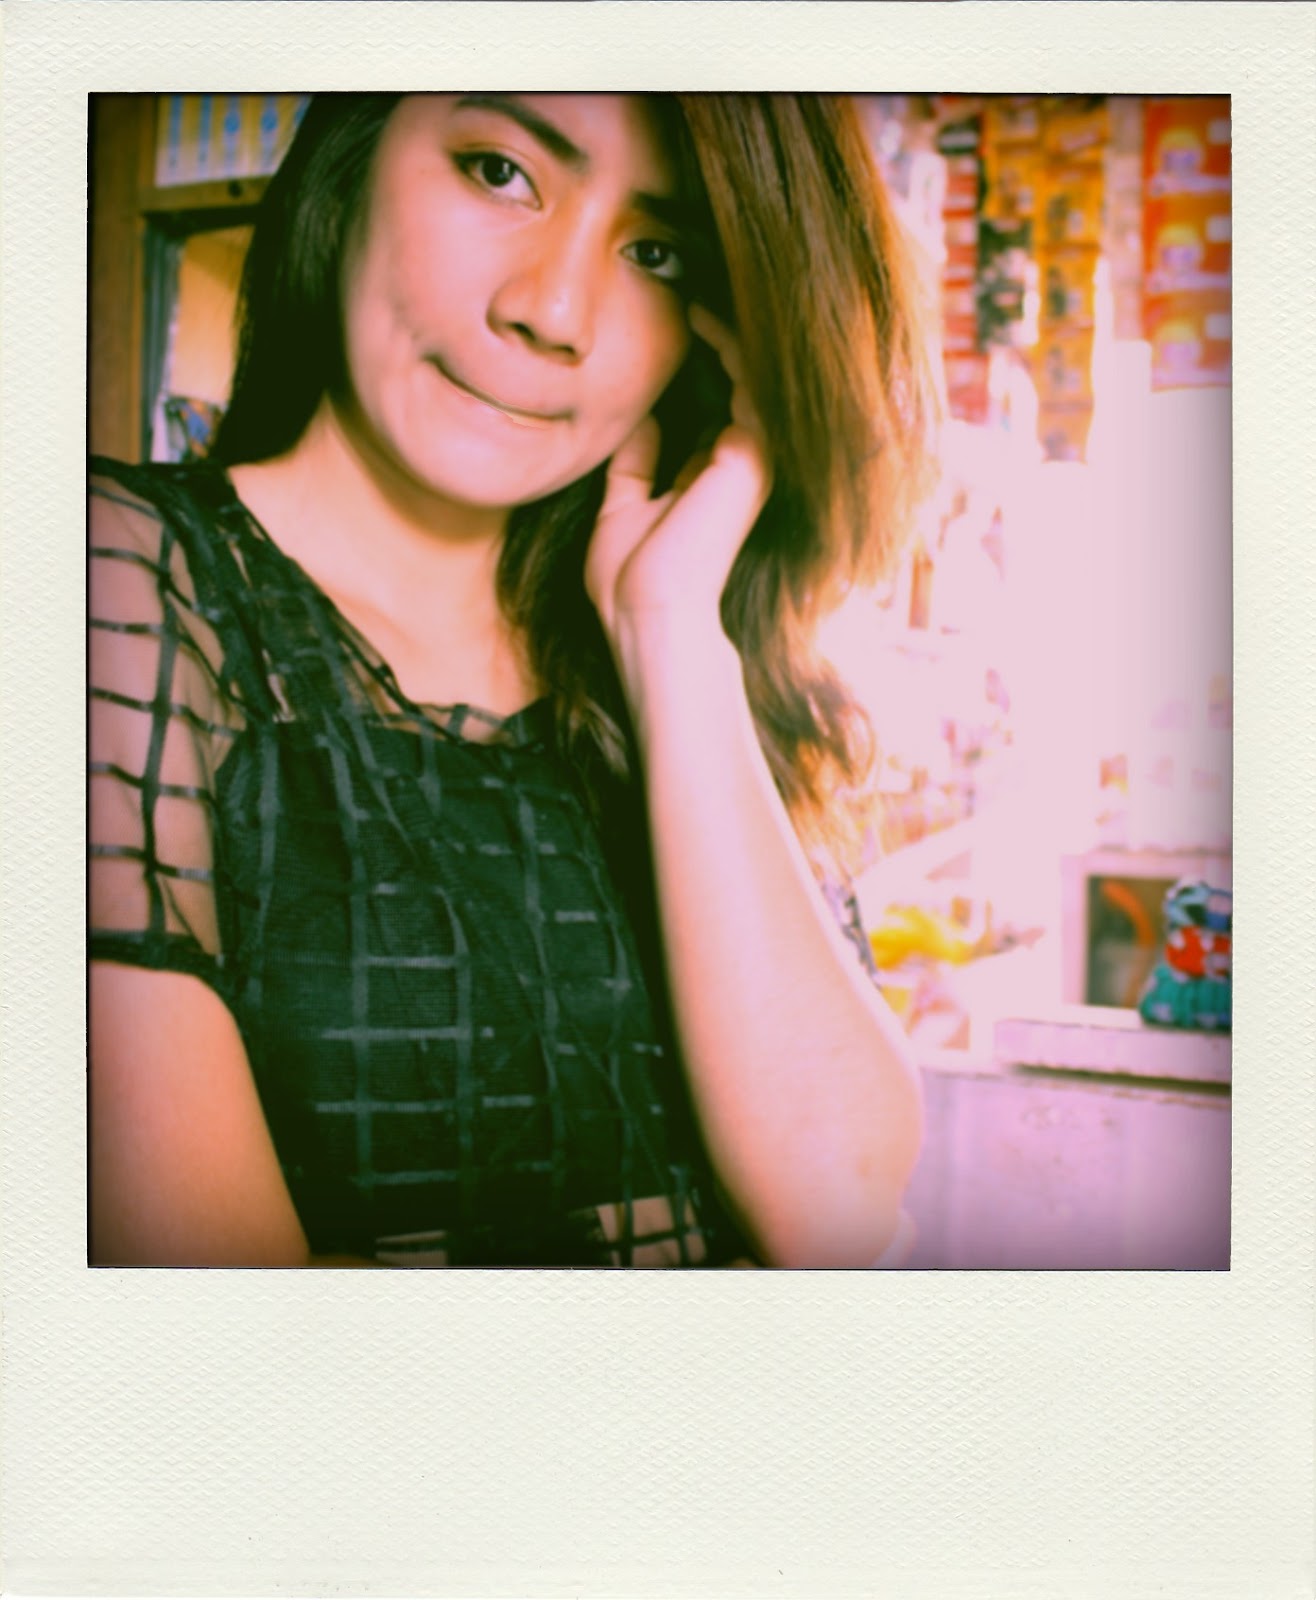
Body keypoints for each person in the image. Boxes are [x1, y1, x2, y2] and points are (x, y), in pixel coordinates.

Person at [89, 93, 933, 1268]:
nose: (550, 310)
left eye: (655, 252)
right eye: (497, 171)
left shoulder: (676, 661)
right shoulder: (110, 576)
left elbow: (834, 1216)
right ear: (351, 160)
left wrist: (666, 629)